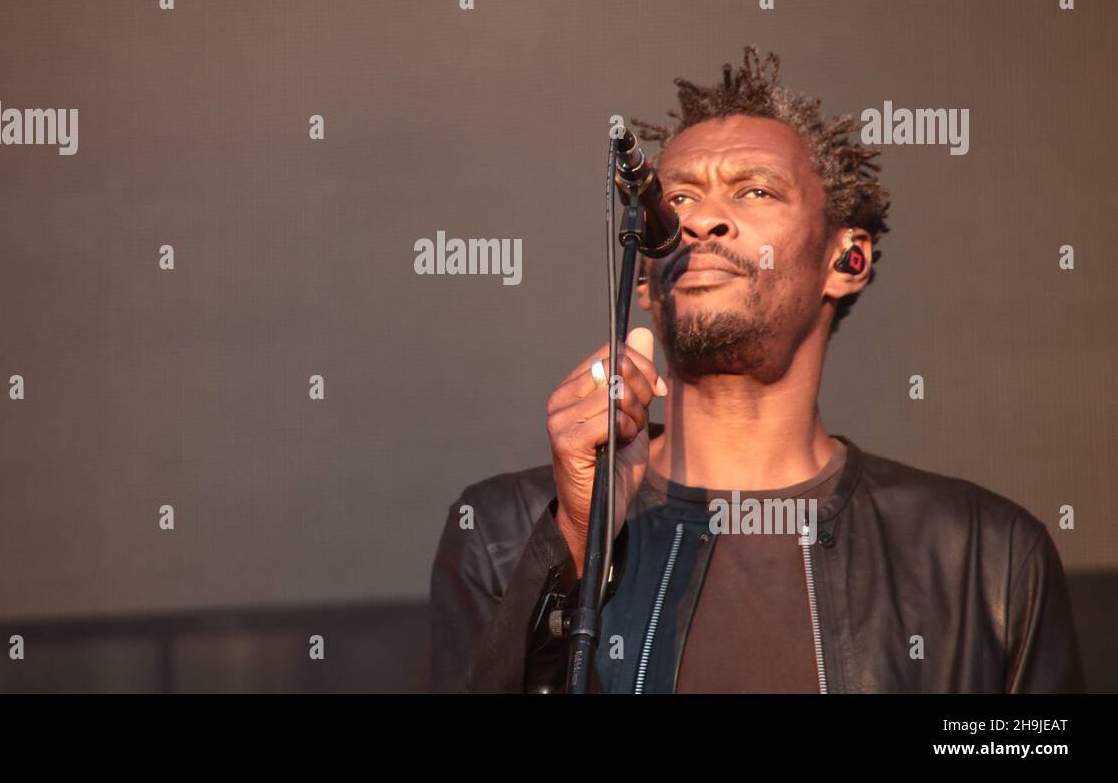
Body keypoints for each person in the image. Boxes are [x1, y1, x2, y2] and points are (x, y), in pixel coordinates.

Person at [429, 47, 1084, 693]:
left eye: (755, 191)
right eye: (678, 198)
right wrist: (575, 542)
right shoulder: (507, 531)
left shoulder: (986, 554)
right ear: (645, 279)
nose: (702, 220)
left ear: (846, 260)